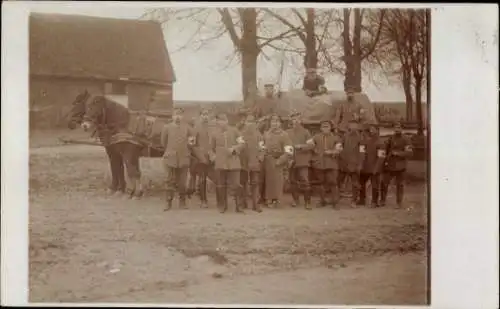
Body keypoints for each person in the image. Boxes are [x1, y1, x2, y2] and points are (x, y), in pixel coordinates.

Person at [208, 113, 246, 213]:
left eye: (224, 120)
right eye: (219, 120)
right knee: (220, 185)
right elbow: (210, 149)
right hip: (220, 163)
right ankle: (222, 206)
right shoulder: (214, 133)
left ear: (227, 121)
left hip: (233, 162)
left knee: (236, 184)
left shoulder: (235, 130)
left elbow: (242, 144)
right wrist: (213, 157)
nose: (221, 122)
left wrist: (234, 149)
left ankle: (239, 206)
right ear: (217, 122)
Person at [160, 107, 195, 210]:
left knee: (182, 182)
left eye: (180, 114)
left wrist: (186, 150)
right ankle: (168, 202)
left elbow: (192, 143)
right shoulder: (166, 127)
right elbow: (163, 143)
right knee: (169, 180)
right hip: (170, 158)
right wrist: (170, 151)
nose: (177, 117)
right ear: (172, 116)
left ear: (183, 116)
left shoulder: (188, 128)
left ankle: (182, 202)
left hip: (184, 158)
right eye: (175, 114)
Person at [262, 114, 293, 208]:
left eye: (277, 121)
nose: (274, 123)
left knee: (276, 181)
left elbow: (289, 150)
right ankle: (267, 198)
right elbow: (262, 145)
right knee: (266, 181)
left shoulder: (284, 135)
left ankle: (275, 199)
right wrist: (262, 154)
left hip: (277, 160)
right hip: (266, 160)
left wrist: (280, 160)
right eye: (272, 121)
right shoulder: (266, 134)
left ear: (280, 123)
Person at [310, 120, 343, 208]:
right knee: (320, 182)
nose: (325, 128)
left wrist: (332, 152)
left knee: (333, 182)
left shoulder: (336, 138)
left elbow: (339, 150)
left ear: (330, 128)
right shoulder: (316, 137)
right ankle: (322, 201)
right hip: (319, 163)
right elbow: (309, 145)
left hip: (331, 163)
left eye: (327, 126)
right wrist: (314, 150)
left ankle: (335, 202)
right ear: (320, 128)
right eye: (323, 126)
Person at [380, 122, 413, 208]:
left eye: (398, 127)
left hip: (401, 166)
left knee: (400, 185)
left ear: (402, 128)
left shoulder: (406, 139)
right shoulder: (391, 138)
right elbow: (386, 150)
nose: (397, 129)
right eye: (395, 127)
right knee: (384, 183)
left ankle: (399, 202)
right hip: (390, 165)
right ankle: (382, 201)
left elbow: (409, 153)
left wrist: (398, 153)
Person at [285, 111, 313, 209]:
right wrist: (288, 158)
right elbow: (286, 146)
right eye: (293, 119)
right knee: (292, 181)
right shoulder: (287, 132)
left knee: (305, 180)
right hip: (292, 160)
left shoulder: (306, 132)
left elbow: (311, 145)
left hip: (302, 160)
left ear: (301, 120)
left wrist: (301, 146)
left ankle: (307, 202)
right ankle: (295, 200)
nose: (295, 121)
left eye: (297, 119)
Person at [239, 114, 265, 212]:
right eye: (248, 122)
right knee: (243, 184)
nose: (250, 124)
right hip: (243, 163)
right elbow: (238, 148)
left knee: (255, 184)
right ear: (245, 122)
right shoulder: (241, 135)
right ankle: (242, 203)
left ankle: (256, 205)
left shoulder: (259, 135)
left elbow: (262, 148)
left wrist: (260, 157)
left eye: (252, 122)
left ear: (255, 123)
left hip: (254, 163)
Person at [338, 119, 366, 207]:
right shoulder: (345, 136)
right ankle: (336, 199)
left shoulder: (361, 138)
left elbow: (362, 152)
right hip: (344, 164)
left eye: (355, 126)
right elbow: (340, 147)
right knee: (338, 181)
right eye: (351, 125)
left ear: (357, 127)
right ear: (349, 127)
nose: (353, 127)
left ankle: (354, 200)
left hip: (354, 165)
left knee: (355, 184)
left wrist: (360, 164)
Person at [358, 123, 385, 207]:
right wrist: (361, 165)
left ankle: (374, 201)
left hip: (374, 167)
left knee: (375, 185)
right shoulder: (365, 141)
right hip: (365, 167)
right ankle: (362, 199)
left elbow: (381, 157)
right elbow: (361, 154)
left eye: (373, 129)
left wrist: (376, 168)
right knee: (361, 183)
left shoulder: (381, 142)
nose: (371, 131)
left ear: (377, 131)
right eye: (370, 129)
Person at [190, 108, 212, 208]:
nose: (205, 116)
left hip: (212, 157)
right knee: (202, 178)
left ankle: (222, 200)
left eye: (207, 114)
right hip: (201, 157)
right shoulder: (195, 128)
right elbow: (191, 144)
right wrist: (200, 156)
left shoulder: (213, 127)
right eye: (203, 114)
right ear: (200, 116)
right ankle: (203, 200)